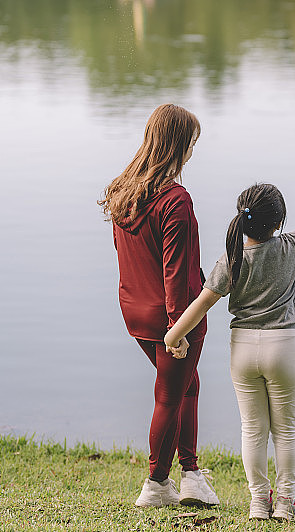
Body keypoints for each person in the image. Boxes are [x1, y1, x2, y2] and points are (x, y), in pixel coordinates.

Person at [164, 183, 295, 521]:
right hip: (283, 347)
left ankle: (259, 502)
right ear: (278, 223)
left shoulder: (232, 260)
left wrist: (175, 334)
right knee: (286, 430)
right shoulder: (290, 246)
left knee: (253, 430)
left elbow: (201, 304)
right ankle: (285, 502)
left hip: (243, 350)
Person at [99, 104, 219, 508]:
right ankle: (155, 484)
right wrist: (178, 329)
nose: (191, 153)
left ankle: (191, 475)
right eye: (191, 144)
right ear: (178, 144)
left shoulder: (122, 190)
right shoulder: (175, 200)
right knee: (169, 396)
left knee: (188, 386)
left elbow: (124, 254)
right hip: (174, 316)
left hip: (135, 312)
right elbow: (176, 271)